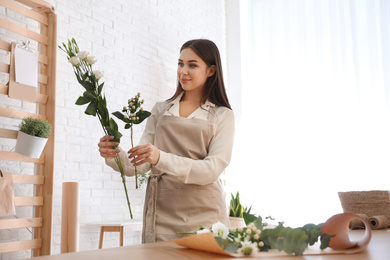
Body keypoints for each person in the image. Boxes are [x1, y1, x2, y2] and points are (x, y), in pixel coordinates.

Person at [98, 39, 235, 243]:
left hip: (206, 216)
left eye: (192, 65)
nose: (183, 71)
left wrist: (160, 157)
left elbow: (211, 169)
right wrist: (114, 154)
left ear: (211, 70)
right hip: (161, 214)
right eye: (180, 64)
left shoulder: (222, 115)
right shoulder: (161, 110)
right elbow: (142, 163)